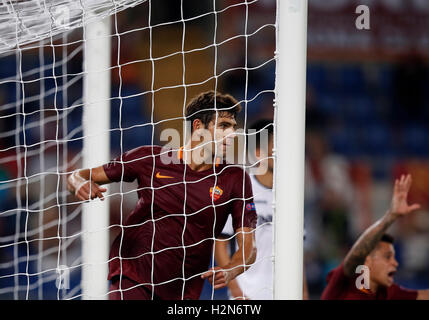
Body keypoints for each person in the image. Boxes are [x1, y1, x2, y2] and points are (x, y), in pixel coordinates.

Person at [67, 91, 257, 300]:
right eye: (223, 126)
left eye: (233, 127)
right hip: (134, 276)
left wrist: (231, 269)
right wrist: (78, 183)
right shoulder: (151, 158)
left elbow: (249, 248)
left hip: (184, 290)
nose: (232, 134)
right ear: (198, 127)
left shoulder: (234, 178)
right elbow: (79, 175)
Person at [215, 119, 309, 300]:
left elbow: (299, 253)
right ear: (259, 154)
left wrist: (303, 292)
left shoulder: (292, 196)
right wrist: (237, 292)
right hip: (247, 294)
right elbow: (220, 245)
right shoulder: (240, 190)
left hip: (284, 292)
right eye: (276, 147)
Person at [321, 174, 429, 300]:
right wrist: (391, 217)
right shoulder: (346, 282)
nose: (395, 263)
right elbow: (356, 254)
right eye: (387, 257)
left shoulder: (387, 292)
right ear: (367, 261)